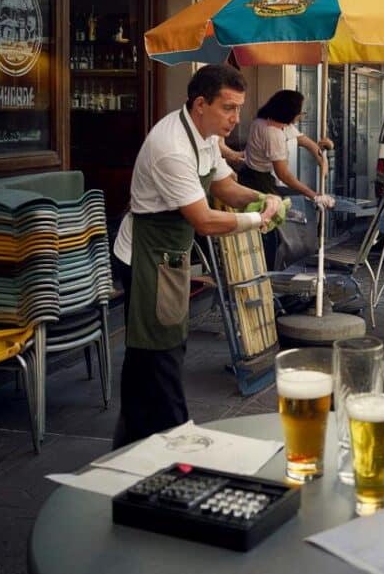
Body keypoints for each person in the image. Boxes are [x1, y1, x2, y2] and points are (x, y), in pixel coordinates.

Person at [111, 64, 283, 449]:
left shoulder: (204, 135)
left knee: (147, 357)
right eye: (228, 108)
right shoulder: (170, 147)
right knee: (163, 352)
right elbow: (204, 220)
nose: (236, 118)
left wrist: (263, 198)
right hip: (145, 256)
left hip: (168, 252)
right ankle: (180, 446)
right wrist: (259, 218)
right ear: (200, 103)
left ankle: (130, 445)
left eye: (239, 108)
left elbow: (225, 186)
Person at [238, 89, 335, 269]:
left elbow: (305, 141)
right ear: (287, 112)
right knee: (269, 227)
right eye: (300, 112)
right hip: (257, 182)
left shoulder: (274, 122)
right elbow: (285, 175)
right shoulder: (271, 132)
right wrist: (313, 195)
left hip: (262, 178)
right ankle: (267, 270)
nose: (300, 115)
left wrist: (322, 159)